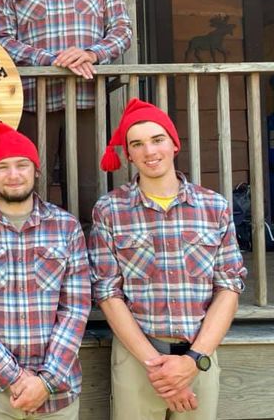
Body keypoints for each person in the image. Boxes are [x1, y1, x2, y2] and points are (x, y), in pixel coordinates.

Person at [88, 98, 247, 419]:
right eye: (137, 144)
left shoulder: (214, 207)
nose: (149, 151)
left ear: (174, 144)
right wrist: (157, 368)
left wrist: (193, 360)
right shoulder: (110, 210)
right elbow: (107, 292)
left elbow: (229, 287)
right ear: (128, 154)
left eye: (157, 139)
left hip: (199, 356)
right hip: (137, 359)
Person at [0, 0, 132, 229]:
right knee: (30, 183)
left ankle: (90, 252)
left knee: (89, 187)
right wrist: (50, 60)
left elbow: (123, 30)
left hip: (86, 99)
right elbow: (0, 39)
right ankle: (32, 248)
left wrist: (91, 54)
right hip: (34, 103)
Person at [0, 121, 91, 419]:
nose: (13, 175)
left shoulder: (66, 227)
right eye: (3, 167)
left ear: (36, 170)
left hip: (58, 386)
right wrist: (12, 375)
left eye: (22, 165)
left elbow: (75, 308)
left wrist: (45, 381)